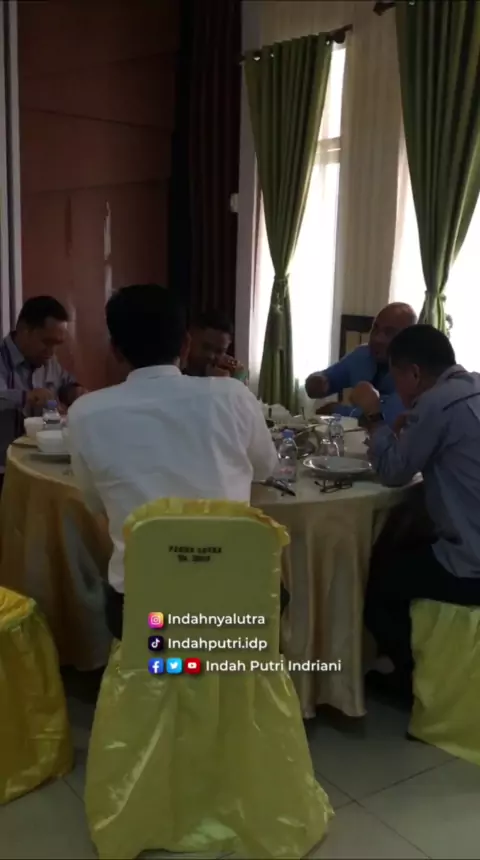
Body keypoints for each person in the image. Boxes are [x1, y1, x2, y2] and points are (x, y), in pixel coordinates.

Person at [67, 285, 278, 640]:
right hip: (232, 596)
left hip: (142, 605)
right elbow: (265, 470)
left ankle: (149, 671)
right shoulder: (233, 395)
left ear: (116, 350)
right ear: (185, 344)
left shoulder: (84, 413)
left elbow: (94, 502)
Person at [355, 324, 480, 700]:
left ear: (413, 372)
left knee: (377, 583)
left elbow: (393, 473)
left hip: (470, 565)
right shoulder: (472, 387)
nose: (398, 389)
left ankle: (409, 682)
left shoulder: (436, 403)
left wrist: (373, 414)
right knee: (406, 538)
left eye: (397, 379)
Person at [0, 296, 85, 485]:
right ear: (24, 330)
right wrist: (25, 397)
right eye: (47, 342)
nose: (51, 351)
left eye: (57, 344)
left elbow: (65, 383)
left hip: (41, 469)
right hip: (4, 470)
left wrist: (74, 392)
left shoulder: (48, 361)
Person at [305, 303, 417, 425]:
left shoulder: (414, 373)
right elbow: (327, 379)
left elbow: (390, 420)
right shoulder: (362, 355)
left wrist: (336, 410)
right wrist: (316, 382)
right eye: (375, 329)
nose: (377, 338)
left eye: (389, 333)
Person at [185, 310, 247, 381]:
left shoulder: (229, 371)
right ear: (190, 338)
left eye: (219, 351)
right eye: (206, 347)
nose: (211, 356)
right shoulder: (176, 368)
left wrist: (235, 380)